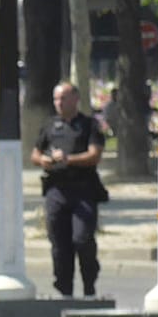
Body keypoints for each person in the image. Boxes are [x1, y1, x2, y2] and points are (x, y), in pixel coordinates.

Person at [30, 81, 105, 298]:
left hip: (83, 190)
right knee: (59, 244)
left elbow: (95, 154)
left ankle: (89, 284)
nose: (59, 103)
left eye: (63, 98)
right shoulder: (50, 126)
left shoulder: (89, 125)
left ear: (75, 99)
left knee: (82, 239)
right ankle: (65, 290)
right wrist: (43, 160)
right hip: (56, 191)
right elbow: (35, 154)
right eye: (56, 99)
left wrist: (69, 160)